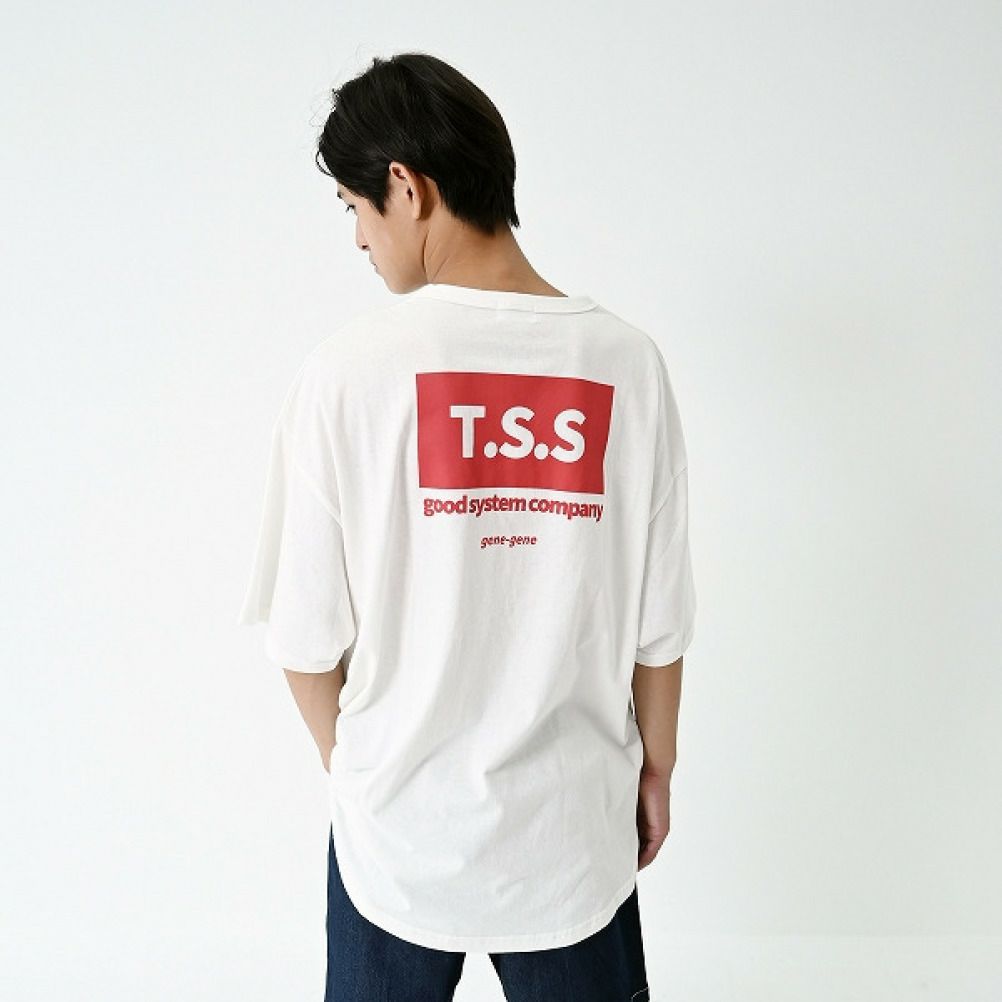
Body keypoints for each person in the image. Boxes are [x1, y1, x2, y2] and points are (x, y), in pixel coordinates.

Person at [238, 51, 695, 1002]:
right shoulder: (626, 365)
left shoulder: (347, 372)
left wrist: (363, 780)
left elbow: (305, 638)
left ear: (407, 188)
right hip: (572, 838)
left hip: (396, 846)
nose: (360, 239)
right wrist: (655, 772)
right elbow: (660, 625)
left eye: (355, 209)